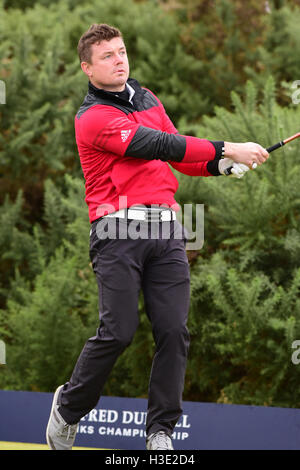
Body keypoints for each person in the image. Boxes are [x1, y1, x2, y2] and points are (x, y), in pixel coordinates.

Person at [46, 23, 269, 451]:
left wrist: (219, 166)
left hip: (166, 228)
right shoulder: (93, 118)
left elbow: (180, 156)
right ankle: (69, 407)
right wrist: (229, 147)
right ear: (87, 69)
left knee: (173, 331)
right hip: (116, 228)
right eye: (107, 56)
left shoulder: (146, 98)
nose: (119, 60)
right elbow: (159, 145)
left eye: (122, 51)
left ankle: (160, 432)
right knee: (119, 331)